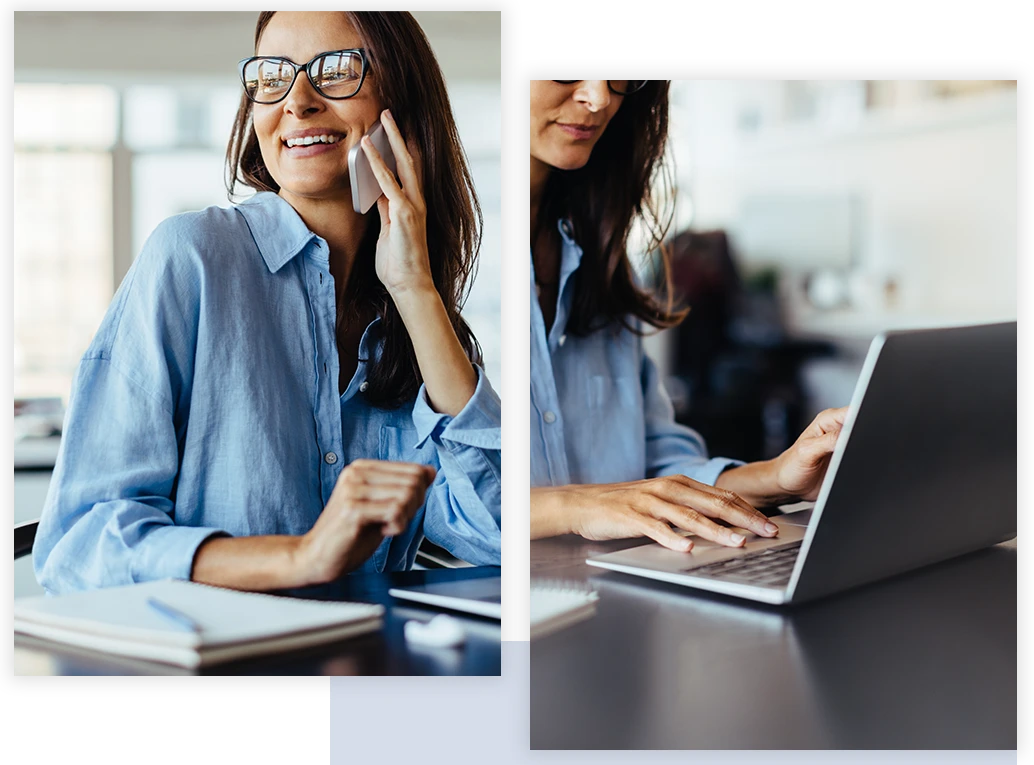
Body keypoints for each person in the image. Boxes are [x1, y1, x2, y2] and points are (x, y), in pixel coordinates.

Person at [34, 11, 501, 595]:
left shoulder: (407, 311)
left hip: (371, 664)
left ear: (400, 103)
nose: (297, 101)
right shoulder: (193, 258)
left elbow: (493, 530)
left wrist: (415, 290)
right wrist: (298, 558)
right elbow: (78, 543)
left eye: (335, 71)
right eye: (272, 75)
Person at [529, 79, 846, 551]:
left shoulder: (602, 261)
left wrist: (779, 476)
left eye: (621, 74)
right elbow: (435, 495)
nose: (600, 99)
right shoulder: (445, 261)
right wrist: (575, 506)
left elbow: (656, 471)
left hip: (622, 586)